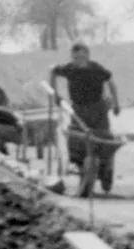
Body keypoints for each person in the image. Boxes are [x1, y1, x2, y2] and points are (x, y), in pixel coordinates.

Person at [50, 43, 120, 195]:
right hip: (79, 110)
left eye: (81, 57)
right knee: (77, 141)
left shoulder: (97, 69)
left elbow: (111, 83)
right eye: (75, 58)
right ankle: (82, 169)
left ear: (88, 55)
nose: (78, 60)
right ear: (72, 58)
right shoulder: (69, 69)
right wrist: (55, 94)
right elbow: (53, 71)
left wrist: (116, 104)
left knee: (103, 139)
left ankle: (106, 169)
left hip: (98, 110)